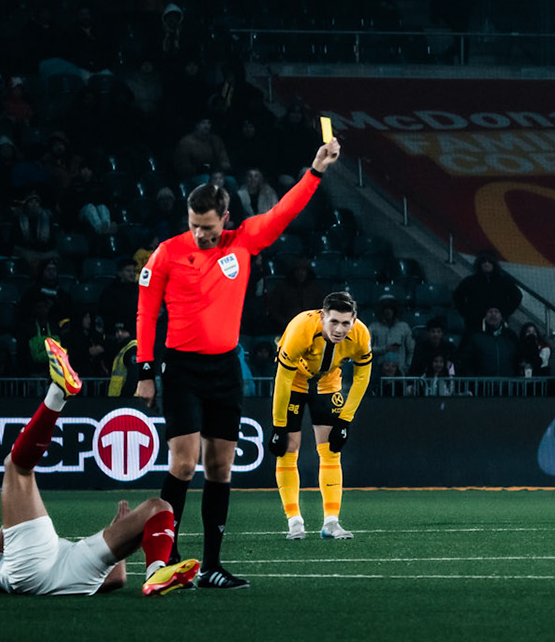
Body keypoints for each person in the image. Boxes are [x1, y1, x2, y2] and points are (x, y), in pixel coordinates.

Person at [135, 136, 343, 590]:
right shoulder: (168, 252)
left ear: (225, 218)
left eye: (207, 226)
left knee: (220, 468)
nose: (200, 234)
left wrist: (316, 170)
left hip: (225, 369)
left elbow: (282, 213)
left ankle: (211, 565)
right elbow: (146, 311)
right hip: (184, 369)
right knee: (184, 463)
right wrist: (146, 372)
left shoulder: (243, 242)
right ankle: (167, 559)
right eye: (194, 225)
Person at [0, 339, 199, 598]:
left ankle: (157, 573)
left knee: (158, 506)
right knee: (16, 467)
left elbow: (117, 579)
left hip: (70, 571)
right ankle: (57, 394)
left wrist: (117, 539)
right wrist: (115, 536)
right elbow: (6, 535)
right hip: (42, 570)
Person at [270, 291, 373, 541]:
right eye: (334, 321)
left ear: (354, 320)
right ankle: (294, 521)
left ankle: (331, 522)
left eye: (346, 323)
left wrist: (345, 421)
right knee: (288, 449)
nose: (340, 329)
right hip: (294, 382)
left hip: (327, 384)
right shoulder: (301, 328)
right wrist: (278, 425)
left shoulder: (361, 334)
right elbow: (282, 378)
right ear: (323, 316)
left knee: (330, 450)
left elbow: (362, 377)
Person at [452, 250, 522, 332]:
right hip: (475, 324)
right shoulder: (470, 281)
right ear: (479, 264)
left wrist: (504, 312)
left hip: (498, 324)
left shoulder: (504, 281)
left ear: (494, 264)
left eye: (489, 262)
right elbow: (457, 296)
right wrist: (467, 314)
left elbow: (517, 296)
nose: (486, 264)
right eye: (483, 262)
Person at [460, 306, 515, 378]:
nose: (493, 314)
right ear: (485, 316)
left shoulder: (510, 337)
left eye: (496, 312)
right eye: (490, 312)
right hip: (482, 386)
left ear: (501, 316)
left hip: (506, 386)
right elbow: (467, 362)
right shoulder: (475, 336)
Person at [367, 295, 414, 375]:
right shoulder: (373, 327)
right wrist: (385, 349)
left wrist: (407, 366)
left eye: (390, 308)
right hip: (378, 372)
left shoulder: (404, 327)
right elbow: (367, 349)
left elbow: (411, 350)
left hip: (400, 372)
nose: (388, 311)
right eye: (385, 309)